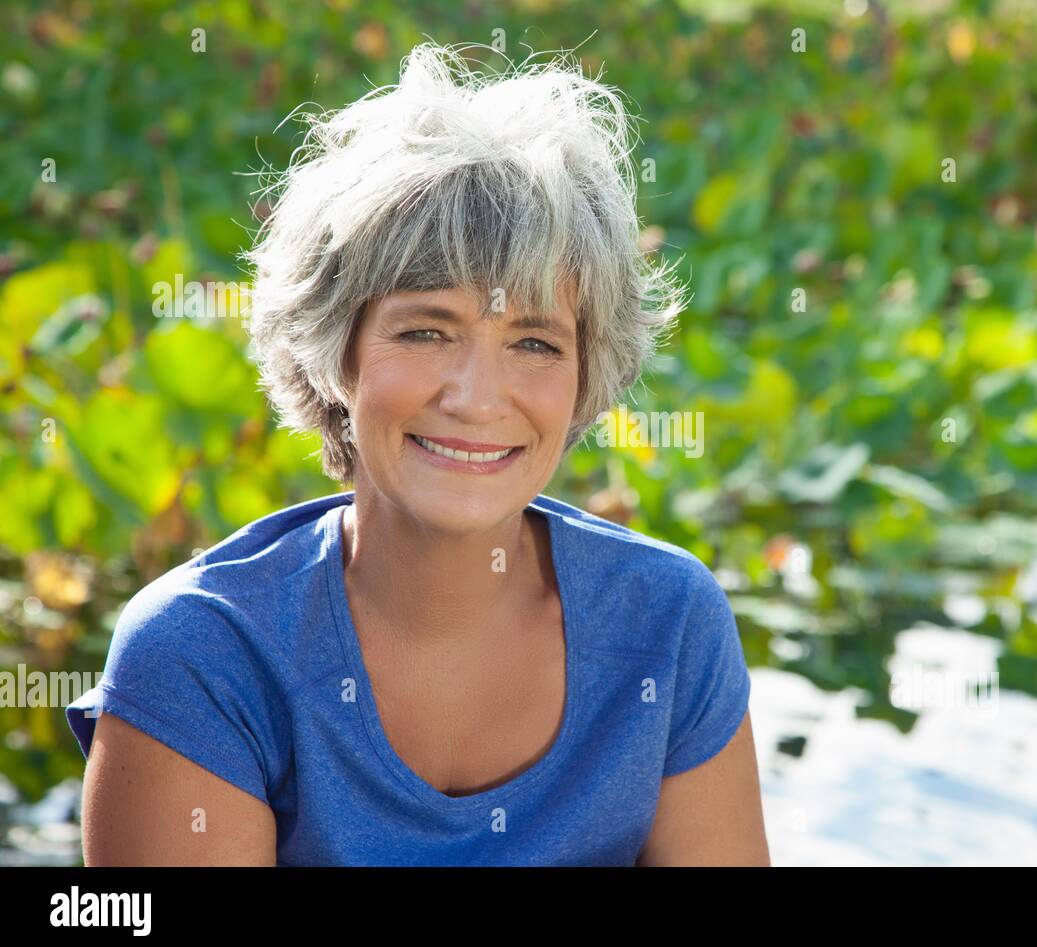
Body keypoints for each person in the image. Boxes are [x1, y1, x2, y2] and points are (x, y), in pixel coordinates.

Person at [65, 41, 768, 865]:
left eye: (535, 343)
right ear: (337, 353)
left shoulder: (667, 621)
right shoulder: (203, 651)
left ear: (585, 377)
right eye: (427, 330)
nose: (475, 396)